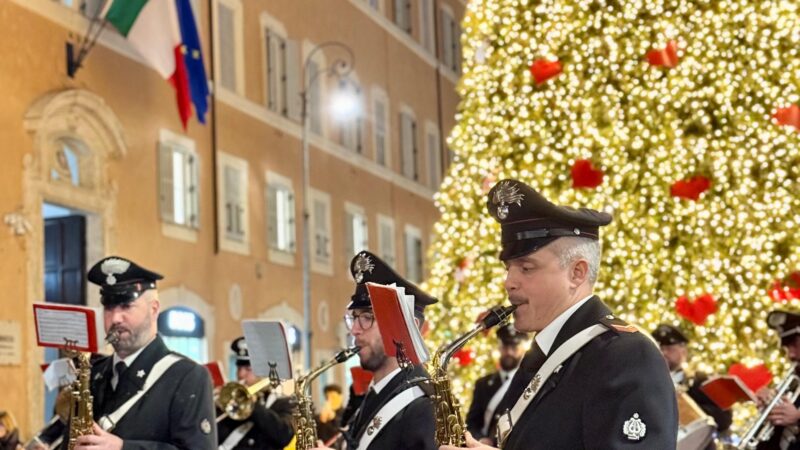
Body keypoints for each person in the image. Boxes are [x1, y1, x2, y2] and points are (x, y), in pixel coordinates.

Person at [442, 179, 678, 450]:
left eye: (527, 268)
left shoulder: (627, 356)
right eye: (509, 268)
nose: (509, 282)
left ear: (576, 273)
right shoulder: (544, 352)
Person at [69, 256, 217, 450]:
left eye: (126, 306)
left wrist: (124, 448)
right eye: (109, 307)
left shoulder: (187, 377)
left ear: (154, 309)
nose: (115, 318)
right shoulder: (92, 374)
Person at [311, 250, 438, 450]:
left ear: (405, 328)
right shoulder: (375, 393)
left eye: (368, 317)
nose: (354, 329)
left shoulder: (424, 406)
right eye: (354, 317)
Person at [652, 323, 732, 447]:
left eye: (669, 348)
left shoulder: (701, 380)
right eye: (659, 348)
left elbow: (724, 418)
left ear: (683, 350)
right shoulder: (648, 380)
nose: (663, 353)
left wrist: (688, 409)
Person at [216, 337, 295, 450]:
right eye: (239, 368)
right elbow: (216, 438)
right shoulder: (233, 401)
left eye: (248, 369)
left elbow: (285, 436)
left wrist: (253, 406)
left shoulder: (284, 402)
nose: (241, 374)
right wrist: (217, 407)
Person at [465, 323, 529, 444]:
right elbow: (472, 423)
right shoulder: (483, 384)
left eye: (514, 348)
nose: (509, 352)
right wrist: (481, 439)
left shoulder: (528, 383)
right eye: (505, 347)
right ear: (499, 348)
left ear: (522, 350)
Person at [755, 310, 800, 450]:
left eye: (793, 345)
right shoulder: (793, 381)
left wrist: (798, 418)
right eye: (786, 348)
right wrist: (770, 410)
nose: (790, 354)